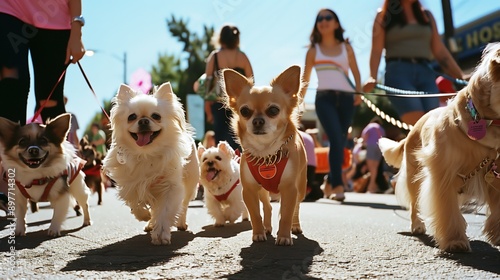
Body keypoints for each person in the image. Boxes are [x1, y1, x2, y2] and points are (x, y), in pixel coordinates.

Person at [363, 0, 466, 126]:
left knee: (434, 122)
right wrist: (372, 76)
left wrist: (460, 76)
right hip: (398, 73)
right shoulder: (383, 15)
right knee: (420, 124)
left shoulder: (426, 15)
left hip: (425, 72)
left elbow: (439, 50)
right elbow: (376, 50)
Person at [301, 8, 363, 202]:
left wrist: (359, 91)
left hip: (346, 99)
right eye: (320, 18)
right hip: (324, 99)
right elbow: (305, 79)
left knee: (340, 141)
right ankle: (337, 185)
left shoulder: (347, 47)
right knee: (336, 138)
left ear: (336, 23)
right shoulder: (313, 50)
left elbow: (355, 72)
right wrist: (298, 100)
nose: (324, 21)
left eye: (329, 17)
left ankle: (329, 180)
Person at [0, 0, 86, 125]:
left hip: (54, 18)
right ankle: (8, 143)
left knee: (50, 101)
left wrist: (76, 31)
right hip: (9, 8)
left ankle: (53, 144)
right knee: (12, 84)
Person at [204, 24, 253, 150]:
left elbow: (207, 88)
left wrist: (208, 110)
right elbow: (251, 82)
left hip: (219, 104)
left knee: (221, 142)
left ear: (220, 38)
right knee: (238, 139)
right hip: (239, 105)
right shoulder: (243, 57)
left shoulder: (215, 57)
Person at [361, 117, 386, 193]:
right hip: (379, 146)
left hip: (371, 146)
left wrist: (363, 145)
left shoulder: (370, 126)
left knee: (371, 167)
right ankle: (372, 185)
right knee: (375, 167)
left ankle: (371, 186)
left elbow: (364, 136)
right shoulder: (381, 128)